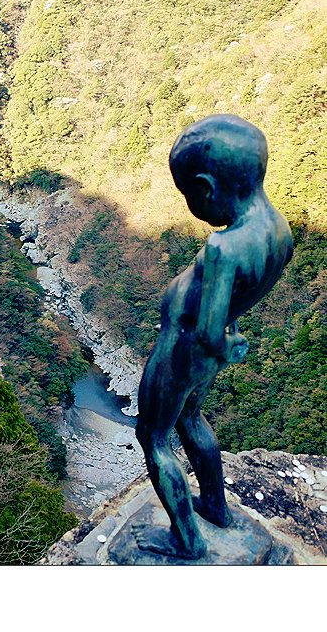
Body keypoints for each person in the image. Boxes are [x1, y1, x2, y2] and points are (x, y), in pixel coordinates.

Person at [133, 114, 293, 559]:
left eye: (189, 195)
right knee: (192, 419)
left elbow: (205, 327)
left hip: (182, 348)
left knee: (154, 437)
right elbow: (246, 291)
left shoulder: (224, 247)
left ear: (205, 188)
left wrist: (221, 342)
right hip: (207, 353)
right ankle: (215, 506)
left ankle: (185, 540)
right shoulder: (279, 230)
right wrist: (230, 335)